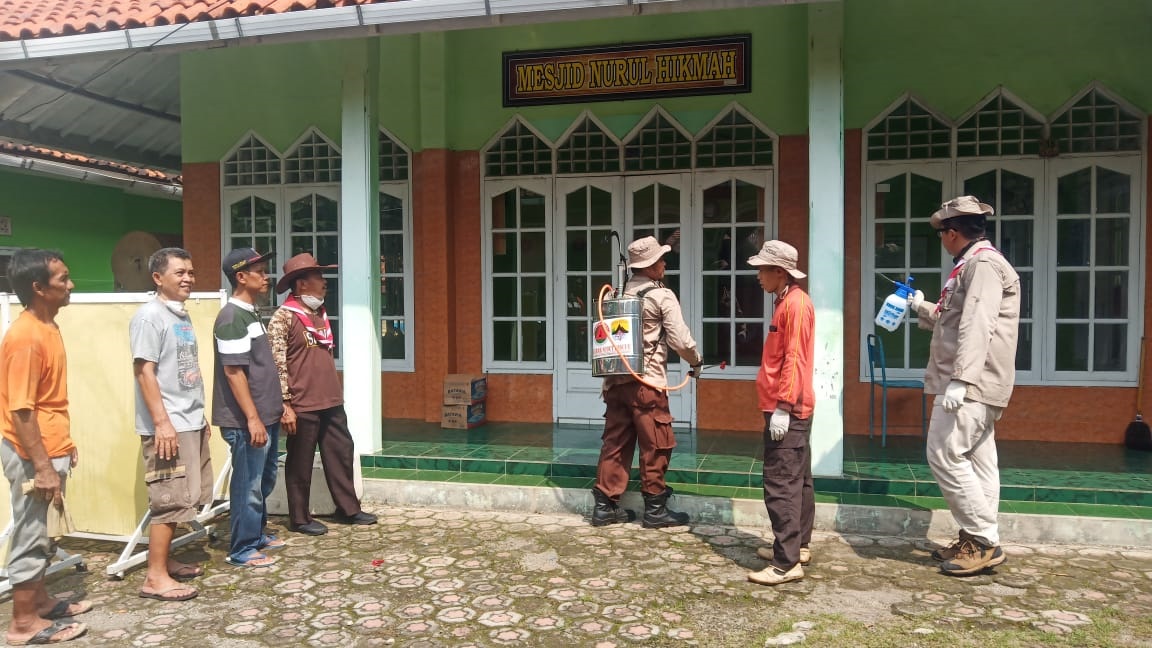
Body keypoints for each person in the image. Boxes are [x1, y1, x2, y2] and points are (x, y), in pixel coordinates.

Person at [908, 196, 1020, 576]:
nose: (942, 239)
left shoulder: (983, 266)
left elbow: (977, 324)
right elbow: (953, 319)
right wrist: (921, 306)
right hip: (978, 382)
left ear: (952, 233)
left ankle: (983, 539)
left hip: (971, 384)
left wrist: (961, 380)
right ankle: (977, 539)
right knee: (979, 461)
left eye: (942, 233)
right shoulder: (974, 266)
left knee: (943, 453)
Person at [0, 249, 89, 645]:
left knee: (46, 531)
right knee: (32, 532)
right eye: (63, 280)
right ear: (38, 288)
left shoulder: (47, 326)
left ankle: (40, 602)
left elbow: (46, 401)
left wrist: (63, 446)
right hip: (30, 453)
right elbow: (21, 411)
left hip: (49, 447)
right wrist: (43, 466)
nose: (70, 285)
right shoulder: (25, 337)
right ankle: (22, 624)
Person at [591, 236, 703, 529]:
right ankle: (655, 509)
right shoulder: (660, 296)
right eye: (662, 260)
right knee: (656, 444)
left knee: (615, 443)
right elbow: (680, 339)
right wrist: (696, 361)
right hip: (646, 383)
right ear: (651, 267)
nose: (665, 263)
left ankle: (605, 506)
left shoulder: (616, 295)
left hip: (615, 383)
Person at [268, 253, 377, 536]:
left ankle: (348, 508)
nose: (324, 282)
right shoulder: (284, 317)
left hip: (330, 399)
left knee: (341, 452)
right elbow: (276, 363)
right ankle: (300, 518)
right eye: (318, 277)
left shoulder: (320, 313)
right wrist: (285, 404)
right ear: (302, 284)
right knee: (300, 462)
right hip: (302, 403)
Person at [129, 248, 212, 601]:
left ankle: (166, 560)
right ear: (157, 278)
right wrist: (162, 424)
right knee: (168, 498)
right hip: (168, 426)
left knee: (184, 498)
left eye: (191, 272)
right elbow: (144, 371)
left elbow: (183, 371)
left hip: (188, 418)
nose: (188, 279)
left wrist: (200, 416)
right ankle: (154, 577)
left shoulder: (179, 315)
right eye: (180, 273)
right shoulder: (149, 316)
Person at [744, 241, 816, 586]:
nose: (758, 276)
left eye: (762, 269)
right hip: (787, 406)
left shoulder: (796, 305)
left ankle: (786, 563)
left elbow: (794, 359)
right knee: (798, 480)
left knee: (781, 483)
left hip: (787, 408)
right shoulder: (787, 302)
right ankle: (796, 546)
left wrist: (784, 406)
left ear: (779, 272)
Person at [212, 248, 285, 568]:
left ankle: (255, 534)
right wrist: (252, 419)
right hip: (246, 421)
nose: (266, 276)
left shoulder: (250, 311)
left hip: (265, 414)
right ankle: (241, 548)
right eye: (260, 271)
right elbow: (233, 371)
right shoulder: (231, 317)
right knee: (248, 484)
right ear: (241, 277)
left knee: (264, 479)